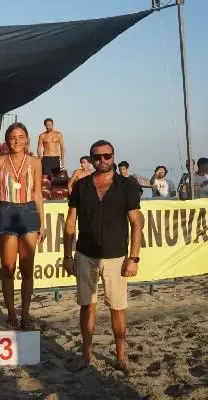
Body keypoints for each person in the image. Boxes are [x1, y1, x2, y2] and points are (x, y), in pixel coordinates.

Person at [63, 139, 142, 374]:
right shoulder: (81, 186)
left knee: (117, 308)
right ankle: (86, 355)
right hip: (85, 254)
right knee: (87, 306)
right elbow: (70, 224)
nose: (103, 160)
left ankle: (121, 356)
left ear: (113, 157)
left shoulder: (127, 185)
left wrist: (134, 258)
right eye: (97, 157)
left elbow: (137, 224)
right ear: (90, 159)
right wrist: (67, 255)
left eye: (107, 156)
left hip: (116, 256)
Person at [0, 122, 45, 330]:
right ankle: (11, 314)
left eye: (21, 137)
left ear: (27, 140)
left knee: (27, 270)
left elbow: (38, 193)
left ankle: (25, 314)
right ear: (7, 140)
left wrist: (42, 223)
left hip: (29, 212)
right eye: (13, 137)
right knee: (8, 269)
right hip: (6, 211)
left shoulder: (35, 162)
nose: (17, 141)